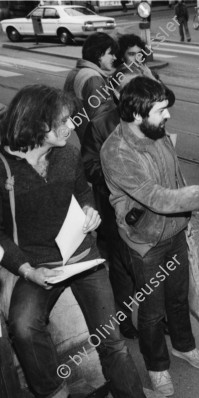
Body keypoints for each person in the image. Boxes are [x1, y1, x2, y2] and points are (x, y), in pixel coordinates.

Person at [0, 85, 147, 398]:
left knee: (113, 342)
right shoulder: (3, 168)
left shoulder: (67, 152)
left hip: (83, 256)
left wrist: (90, 210)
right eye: (63, 121)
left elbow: (81, 191)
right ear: (37, 124)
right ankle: (53, 392)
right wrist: (27, 271)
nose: (71, 126)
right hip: (37, 264)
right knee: (23, 328)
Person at [100, 76, 199, 396]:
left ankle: (184, 346)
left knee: (178, 298)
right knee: (152, 312)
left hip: (175, 232)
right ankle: (156, 367)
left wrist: (188, 221)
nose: (168, 116)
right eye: (161, 110)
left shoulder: (157, 131)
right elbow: (159, 198)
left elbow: (175, 179)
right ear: (137, 114)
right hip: (146, 243)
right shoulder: (117, 151)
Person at [81, 71, 162, 340]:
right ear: (117, 93)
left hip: (152, 209)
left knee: (152, 268)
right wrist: (123, 174)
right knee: (122, 271)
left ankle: (157, 318)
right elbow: (90, 167)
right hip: (118, 212)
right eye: (130, 89)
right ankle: (124, 320)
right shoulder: (101, 125)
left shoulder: (152, 118)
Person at [64, 32, 118, 141]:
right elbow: (101, 118)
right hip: (99, 141)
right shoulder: (93, 78)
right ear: (98, 54)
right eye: (111, 53)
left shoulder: (76, 72)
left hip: (85, 136)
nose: (115, 57)